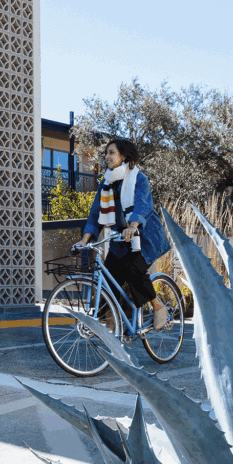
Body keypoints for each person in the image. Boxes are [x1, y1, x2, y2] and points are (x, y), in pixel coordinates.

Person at [75, 138, 172, 330]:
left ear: (124, 156)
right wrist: (84, 239)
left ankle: (158, 307)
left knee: (133, 269)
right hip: (120, 240)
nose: (107, 156)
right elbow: (96, 212)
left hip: (145, 237)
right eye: (106, 153)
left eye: (112, 152)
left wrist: (133, 225)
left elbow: (143, 205)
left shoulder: (139, 178)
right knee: (108, 282)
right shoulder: (106, 183)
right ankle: (114, 331)